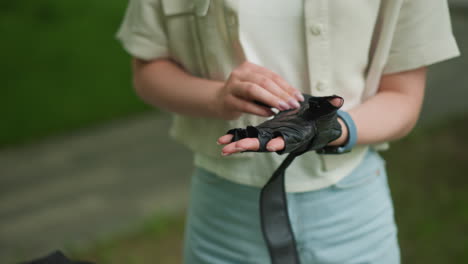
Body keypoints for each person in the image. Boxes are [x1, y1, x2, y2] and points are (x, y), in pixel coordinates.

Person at [116, 0, 460, 263]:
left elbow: (403, 97)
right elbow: (147, 69)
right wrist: (218, 97)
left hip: (351, 210)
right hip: (222, 212)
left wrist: (332, 128)